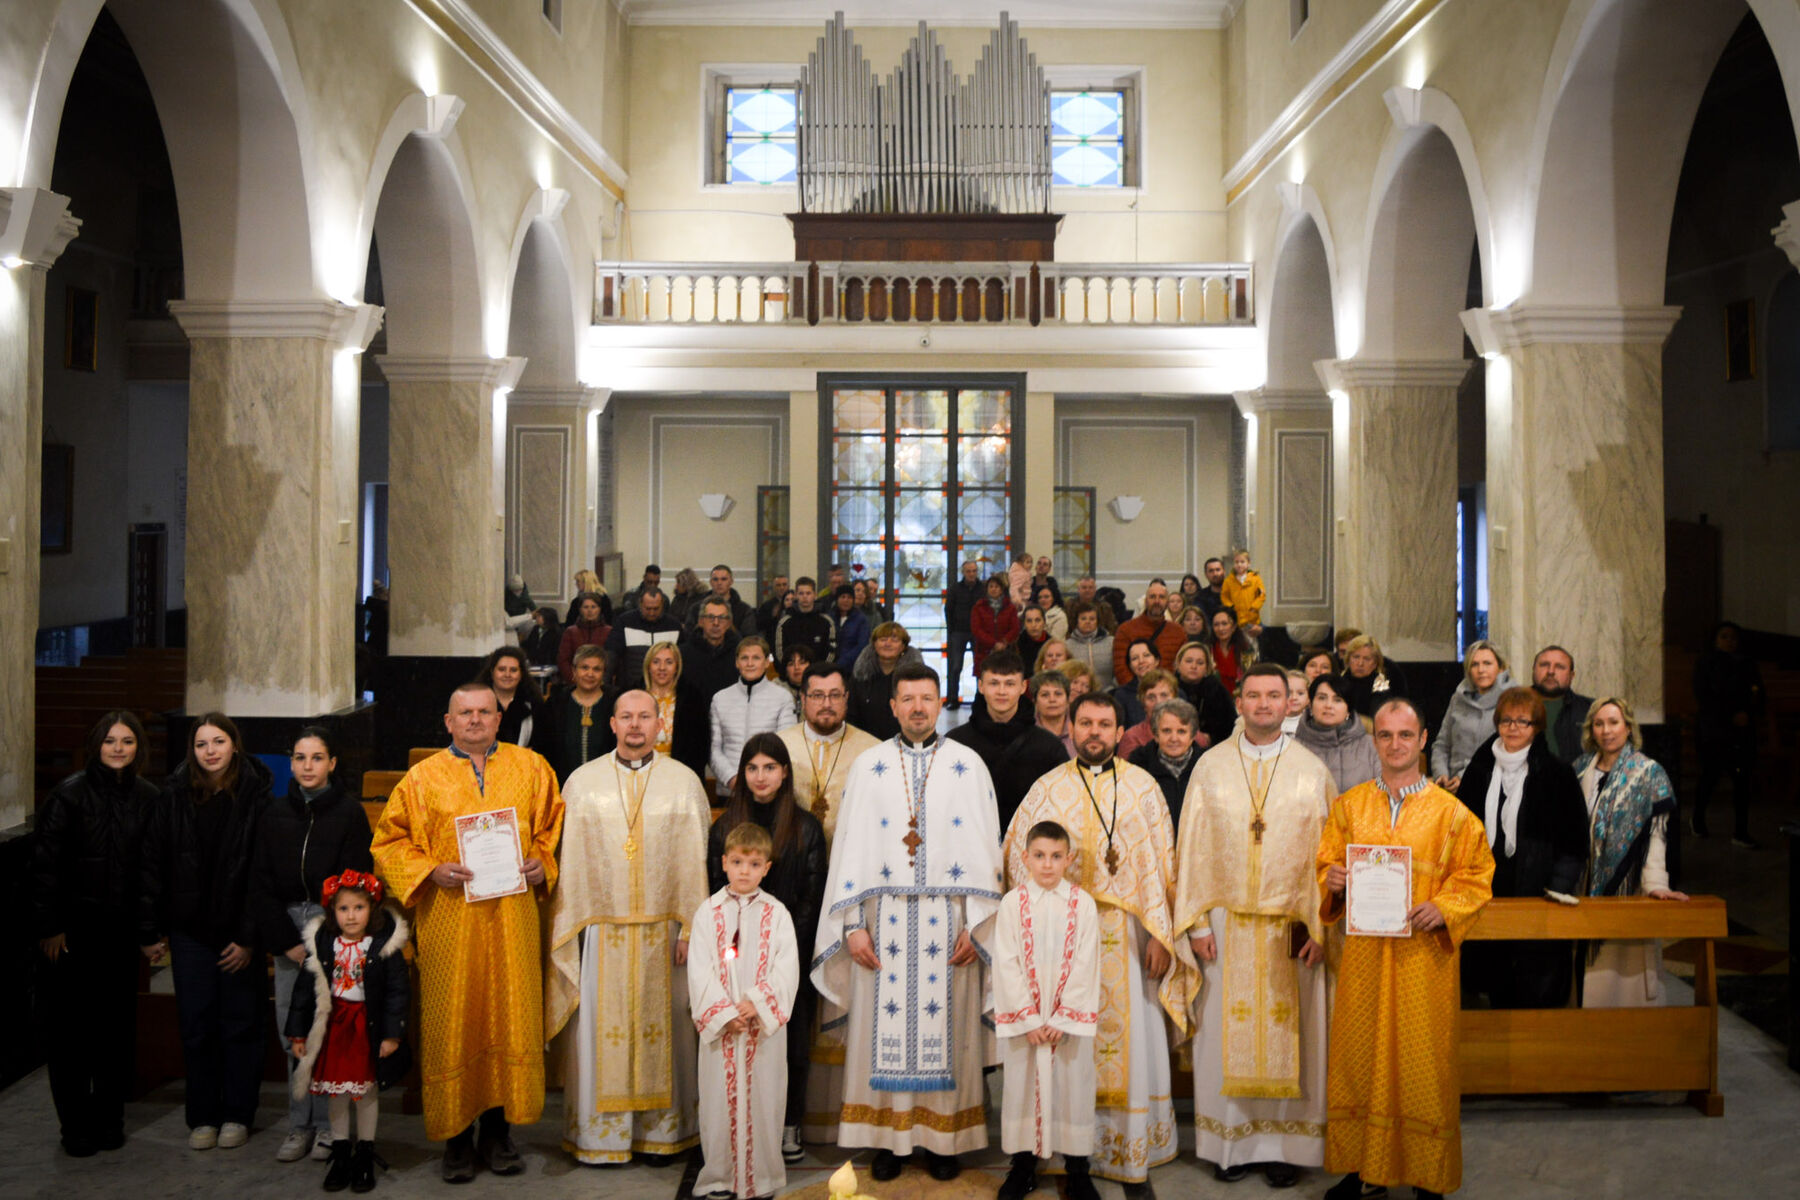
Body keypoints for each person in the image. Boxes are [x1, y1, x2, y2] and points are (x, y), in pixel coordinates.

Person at [1001, 692, 1197, 1199]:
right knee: (1053, 1050)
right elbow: (1014, 859)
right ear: (1072, 726)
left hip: (1126, 942)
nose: (1094, 732)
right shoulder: (1046, 789)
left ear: (1119, 730)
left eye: (1104, 724)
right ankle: (1044, 1157)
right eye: (1085, 722)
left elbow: (1165, 866)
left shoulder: (1143, 788)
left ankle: (1122, 1151)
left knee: (1123, 1046)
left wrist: (1160, 934)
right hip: (1054, 940)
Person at [813, 663, 1004, 1182]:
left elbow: (989, 853)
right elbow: (849, 853)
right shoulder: (868, 765)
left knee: (954, 1032)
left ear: (940, 703)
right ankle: (885, 1141)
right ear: (893, 705)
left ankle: (945, 1141)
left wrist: (979, 928)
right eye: (908, 699)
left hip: (951, 926)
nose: (918, 707)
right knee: (877, 1029)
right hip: (882, 923)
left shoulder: (969, 765)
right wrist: (851, 925)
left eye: (927, 698)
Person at [371, 683, 565, 1181]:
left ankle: (499, 1135)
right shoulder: (420, 779)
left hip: (513, 920)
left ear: (499, 720)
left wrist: (543, 863)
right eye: (465, 713)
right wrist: (430, 870)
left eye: (485, 712)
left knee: (509, 1017)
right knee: (453, 1022)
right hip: (449, 922)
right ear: (448, 721)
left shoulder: (533, 769)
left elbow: (551, 832)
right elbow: (388, 843)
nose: (476, 720)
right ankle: (456, 1141)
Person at [1317, 699, 1495, 1200]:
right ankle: (1361, 1171)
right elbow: (1326, 865)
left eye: (1405, 735)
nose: (1395, 745)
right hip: (1365, 960)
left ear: (1422, 740)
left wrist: (1446, 907)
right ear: (1376, 742)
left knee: (1423, 1064)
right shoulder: (1350, 807)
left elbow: (1477, 877)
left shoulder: (1452, 815)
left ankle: (1427, 1176)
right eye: (1386, 735)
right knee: (1360, 1058)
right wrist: (1330, 880)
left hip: (1423, 961)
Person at [1174, 665, 1336, 1188]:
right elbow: (1190, 848)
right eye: (1254, 695)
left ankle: (1285, 1149)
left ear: (1292, 702)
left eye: (1275, 695)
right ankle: (1229, 1146)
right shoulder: (1211, 767)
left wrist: (1321, 927)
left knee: (1295, 1039)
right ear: (1239, 702)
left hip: (1292, 928)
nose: (1264, 704)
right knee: (1223, 1039)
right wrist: (1195, 923)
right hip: (1226, 923)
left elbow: (1328, 857)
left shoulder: (1313, 771)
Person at [546, 689, 709, 1166]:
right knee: (602, 1032)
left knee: (671, 1035)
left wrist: (690, 928)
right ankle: (604, 1139)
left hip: (667, 933)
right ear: (611, 724)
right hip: (602, 931)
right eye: (626, 717)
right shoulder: (582, 783)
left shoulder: (684, 783)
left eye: (645, 717)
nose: (635, 725)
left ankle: (664, 1134)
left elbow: (695, 862)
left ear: (661, 724)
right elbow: (570, 862)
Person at [140, 713, 273, 1152]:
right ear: (192, 751)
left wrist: (250, 937)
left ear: (235, 744)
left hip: (239, 931)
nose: (210, 751)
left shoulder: (257, 794)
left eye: (219, 741)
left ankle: (237, 1113)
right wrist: (154, 929)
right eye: (201, 744)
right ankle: (203, 1116)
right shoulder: (173, 795)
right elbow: (155, 865)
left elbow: (261, 871)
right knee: (197, 1026)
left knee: (240, 1024)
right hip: (190, 931)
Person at [32, 712, 158, 1157]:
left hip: (120, 935)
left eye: (127, 741)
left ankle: (109, 1120)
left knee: (114, 1034)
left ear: (138, 747)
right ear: (95, 746)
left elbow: (149, 872)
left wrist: (147, 932)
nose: (118, 748)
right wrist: (50, 927)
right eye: (110, 741)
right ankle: (75, 1126)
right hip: (72, 935)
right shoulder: (69, 795)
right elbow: (45, 866)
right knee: (71, 1036)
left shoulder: (147, 797)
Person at [250, 726, 375, 1165]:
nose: (308, 766)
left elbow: (356, 879)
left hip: (332, 929)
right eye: (300, 758)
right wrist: (285, 941)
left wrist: (332, 937)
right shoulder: (274, 813)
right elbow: (260, 882)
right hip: (289, 929)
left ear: (332, 763)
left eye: (317, 758)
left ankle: (328, 1129)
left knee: (329, 1029)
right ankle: (297, 1125)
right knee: (296, 1033)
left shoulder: (349, 813)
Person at [705, 736, 828, 1167]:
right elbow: (713, 894)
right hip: (735, 958)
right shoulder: (724, 828)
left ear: (785, 773)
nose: (761, 777)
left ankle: (787, 1123)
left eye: (770, 767)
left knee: (789, 1043)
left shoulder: (806, 827)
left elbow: (813, 896)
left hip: (788, 955)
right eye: (753, 768)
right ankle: (733, 1128)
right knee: (736, 1040)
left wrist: (778, 951)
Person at [777, 662, 881, 1146]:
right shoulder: (780, 746)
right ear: (802, 698)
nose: (825, 704)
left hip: (852, 894)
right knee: (794, 1008)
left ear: (847, 699)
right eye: (816, 695)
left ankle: (847, 1112)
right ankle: (792, 1114)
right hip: (793, 893)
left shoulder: (872, 752)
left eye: (835, 695)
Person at [1455, 687, 1589, 1009]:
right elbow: (1458, 831)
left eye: (1523, 722)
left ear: (1537, 728)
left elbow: (1574, 840)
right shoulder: (1480, 768)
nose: (1513, 728)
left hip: (1537, 893)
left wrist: (1557, 888)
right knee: (1489, 988)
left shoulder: (1556, 773)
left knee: (1536, 988)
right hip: (1486, 893)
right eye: (1506, 720)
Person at [690, 823, 802, 1200]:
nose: (744, 871)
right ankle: (719, 1177)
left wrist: (756, 1003)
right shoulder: (708, 912)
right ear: (723, 862)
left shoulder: (778, 913)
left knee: (766, 1100)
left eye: (754, 864)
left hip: (762, 1030)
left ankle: (763, 1178)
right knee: (718, 1104)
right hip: (724, 1031)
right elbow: (700, 967)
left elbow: (787, 968)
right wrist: (723, 1012)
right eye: (737, 862)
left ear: (766, 868)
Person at [993, 821, 1102, 1200]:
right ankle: (1022, 1168)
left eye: (1056, 857)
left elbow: (1087, 962)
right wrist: (1026, 1017)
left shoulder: (1082, 904)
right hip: (1028, 1026)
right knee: (1021, 1089)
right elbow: (1005, 962)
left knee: (1074, 1089)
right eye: (1039, 856)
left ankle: (1077, 1170)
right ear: (1025, 858)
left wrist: (1062, 1017)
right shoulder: (1012, 904)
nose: (1047, 865)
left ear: (1069, 859)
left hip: (1064, 1027)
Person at [285, 870, 410, 1194]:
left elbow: (397, 991)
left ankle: (365, 1152)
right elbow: (303, 992)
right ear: (332, 912)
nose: (351, 916)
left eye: (359, 907)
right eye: (343, 909)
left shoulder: (382, 946)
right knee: (338, 1092)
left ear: (373, 909)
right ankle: (341, 1153)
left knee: (365, 1091)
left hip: (364, 1028)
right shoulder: (325, 945)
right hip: (334, 1027)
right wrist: (298, 1034)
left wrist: (391, 1033)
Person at [1577, 696, 1690, 1007]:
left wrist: (1656, 884)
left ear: (1628, 727)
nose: (1606, 730)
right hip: (1586, 890)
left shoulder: (1648, 773)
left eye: (1614, 723)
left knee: (1627, 978)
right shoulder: (1580, 770)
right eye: (1599, 724)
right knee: (1591, 978)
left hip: (1631, 888)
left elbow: (1657, 837)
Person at [947, 648, 1070, 832]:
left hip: (1031, 847)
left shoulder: (1049, 747)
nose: (1002, 692)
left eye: (1010, 683)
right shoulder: (955, 744)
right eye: (994, 683)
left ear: (1023, 687)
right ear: (981, 686)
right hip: (969, 844)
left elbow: (1062, 806)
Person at [1692, 620, 1765, 845]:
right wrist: (1730, 715)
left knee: (1742, 781)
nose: (1729, 641)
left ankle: (1740, 832)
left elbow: (1759, 692)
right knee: (1710, 776)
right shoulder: (1706, 663)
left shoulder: (1747, 663)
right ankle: (1697, 817)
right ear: (1715, 639)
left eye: (1733, 637)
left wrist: (1748, 713)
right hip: (1715, 728)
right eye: (1724, 636)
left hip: (1742, 730)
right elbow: (1704, 695)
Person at [710, 637, 793, 798]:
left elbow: (785, 746)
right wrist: (732, 779)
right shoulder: (720, 698)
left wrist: (761, 780)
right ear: (737, 662)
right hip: (730, 792)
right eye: (744, 658)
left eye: (756, 658)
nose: (750, 664)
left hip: (769, 791)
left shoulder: (783, 697)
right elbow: (713, 748)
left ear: (766, 662)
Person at [1431, 640, 1513, 791]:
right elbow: (1441, 744)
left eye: (1487, 663)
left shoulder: (1512, 699)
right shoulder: (1458, 698)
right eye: (1474, 664)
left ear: (1501, 668)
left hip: (1492, 784)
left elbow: (1505, 750)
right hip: (1451, 784)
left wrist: (1464, 777)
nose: (1481, 670)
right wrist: (1441, 774)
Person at [1293, 674, 1380, 794]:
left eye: (1337, 700)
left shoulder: (1371, 746)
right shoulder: (1292, 747)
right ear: (1310, 705)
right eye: (1322, 698)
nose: (1328, 705)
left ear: (1348, 709)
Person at [544, 645, 616, 783]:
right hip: (563, 786)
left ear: (603, 673)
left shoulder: (616, 705)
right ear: (574, 670)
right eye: (584, 667)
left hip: (607, 786)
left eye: (596, 669)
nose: (590, 674)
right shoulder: (555, 705)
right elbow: (547, 750)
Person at [643, 640, 711, 779]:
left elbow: (701, 745)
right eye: (656, 662)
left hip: (680, 775)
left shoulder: (692, 698)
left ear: (677, 667)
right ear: (648, 666)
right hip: (640, 775)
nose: (662, 667)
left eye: (669, 662)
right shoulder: (633, 695)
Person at [1127, 699, 1200, 824]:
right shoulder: (1138, 766)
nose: (1174, 738)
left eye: (1181, 731)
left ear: (1192, 736)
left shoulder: (1207, 765)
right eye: (1166, 731)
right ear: (1155, 735)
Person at [849, 621, 924, 741]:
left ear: (903, 646)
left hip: (904, 743)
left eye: (894, 640)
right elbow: (851, 713)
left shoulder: (914, 678)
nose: (888, 644)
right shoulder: (861, 675)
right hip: (864, 742)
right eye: (883, 639)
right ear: (874, 643)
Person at [607, 587, 682, 693]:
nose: (651, 613)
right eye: (648, 608)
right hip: (631, 688)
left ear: (662, 605)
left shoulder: (674, 625)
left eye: (656, 609)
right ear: (640, 604)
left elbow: (681, 659)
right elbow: (612, 656)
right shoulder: (625, 622)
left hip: (665, 690)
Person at [1529, 644, 1593, 767]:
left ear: (1571, 675)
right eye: (1544, 665)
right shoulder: (1514, 707)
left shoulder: (1590, 710)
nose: (1550, 672)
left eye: (1559, 667)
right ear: (1533, 669)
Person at [1112, 579, 1184, 686]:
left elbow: (1181, 667)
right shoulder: (1125, 629)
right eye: (1152, 597)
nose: (1157, 601)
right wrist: (1140, 691)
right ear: (1145, 601)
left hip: (1169, 691)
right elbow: (1120, 668)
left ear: (1167, 602)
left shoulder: (1178, 631)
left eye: (1162, 597)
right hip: (1135, 693)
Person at [479, 646, 547, 751]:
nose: (507, 674)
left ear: (521, 674)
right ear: (492, 672)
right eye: (501, 669)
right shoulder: (475, 701)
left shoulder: (534, 703)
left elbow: (544, 743)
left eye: (513, 670)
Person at [1172, 641, 1234, 750]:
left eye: (1200, 663)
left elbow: (1230, 726)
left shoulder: (1217, 689)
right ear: (1178, 664)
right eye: (1188, 661)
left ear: (1207, 668)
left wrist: (1212, 738)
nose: (1194, 666)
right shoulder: (1168, 687)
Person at [681, 595, 744, 699]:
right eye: (710, 617)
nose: (716, 623)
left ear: (729, 623)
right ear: (701, 621)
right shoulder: (683, 654)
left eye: (722, 618)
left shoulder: (740, 654)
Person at [944, 560, 984, 708]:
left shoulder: (983, 588)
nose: (972, 574)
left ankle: (980, 699)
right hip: (959, 631)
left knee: (979, 666)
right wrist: (951, 630)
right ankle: (953, 698)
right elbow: (948, 609)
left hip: (978, 632)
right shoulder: (955, 588)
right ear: (963, 572)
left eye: (974, 571)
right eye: (969, 571)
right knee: (955, 667)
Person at [1117, 670, 1179, 760]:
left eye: (1164, 695)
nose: (1158, 702)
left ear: (1175, 699)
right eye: (1151, 697)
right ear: (1143, 703)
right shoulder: (1132, 737)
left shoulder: (1192, 734)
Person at [775, 577, 835, 667]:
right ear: (795, 596)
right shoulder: (785, 623)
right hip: (793, 673)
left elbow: (832, 650)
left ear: (815, 595)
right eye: (801, 593)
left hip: (819, 673)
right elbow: (780, 651)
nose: (805, 597)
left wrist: (821, 670)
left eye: (808, 593)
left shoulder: (826, 622)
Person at [558, 592, 612, 685]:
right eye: (586, 607)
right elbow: (563, 660)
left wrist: (601, 680)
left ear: (599, 609)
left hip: (602, 684)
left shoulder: (609, 631)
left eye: (593, 607)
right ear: (580, 610)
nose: (589, 611)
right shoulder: (571, 632)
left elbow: (612, 660)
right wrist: (575, 680)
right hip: (575, 683)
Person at [973, 574, 1022, 675]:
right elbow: (976, 629)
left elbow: (1015, 628)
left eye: (996, 587)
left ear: (1001, 589)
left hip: (1005, 650)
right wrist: (993, 643)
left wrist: (1004, 642)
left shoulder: (1010, 607)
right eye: (991, 586)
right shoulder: (979, 607)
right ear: (987, 589)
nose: (993, 589)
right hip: (984, 650)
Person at [685, 563, 754, 634]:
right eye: (715, 579)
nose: (719, 583)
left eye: (724, 579)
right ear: (711, 582)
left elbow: (748, 638)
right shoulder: (696, 608)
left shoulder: (744, 610)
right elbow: (688, 635)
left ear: (731, 582)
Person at [1064, 600, 1116, 693]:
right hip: (1079, 694)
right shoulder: (1067, 645)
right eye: (1083, 618)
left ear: (1097, 621)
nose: (1087, 622)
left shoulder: (1111, 642)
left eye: (1092, 619)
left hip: (1108, 693)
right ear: (1077, 621)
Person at [1208, 608, 1257, 695]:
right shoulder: (1207, 650)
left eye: (1224, 624)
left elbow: (1253, 679)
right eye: (1216, 625)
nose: (1220, 628)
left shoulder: (1246, 650)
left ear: (1234, 627)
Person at [1115, 640, 1162, 726]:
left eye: (1146, 655)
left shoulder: (1175, 690)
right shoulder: (1122, 695)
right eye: (1135, 658)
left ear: (1157, 660)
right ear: (1130, 666)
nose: (1141, 661)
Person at [1219, 550, 1266, 635]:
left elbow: (1261, 595)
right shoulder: (1228, 581)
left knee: (1252, 642)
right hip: (1235, 618)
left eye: (1242, 562)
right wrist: (1230, 606)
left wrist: (1254, 607)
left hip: (1252, 618)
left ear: (1248, 563)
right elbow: (1224, 596)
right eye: (1236, 562)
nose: (1239, 565)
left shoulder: (1255, 579)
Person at [1032, 669, 1076, 757]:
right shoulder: (1026, 732)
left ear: (1068, 699)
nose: (1052, 700)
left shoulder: (1079, 729)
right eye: (1045, 695)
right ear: (1035, 701)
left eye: (1058, 694)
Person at [832, 583, 871, 668]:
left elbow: (862, 645)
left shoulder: (861, 620)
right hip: (830, 663)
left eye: (849, 597)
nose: (846, 600)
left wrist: (842, 662)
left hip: (852, 666)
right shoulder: (830, 618)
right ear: (837, 599)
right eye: (843, 597)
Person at [779, 644, 814, 720]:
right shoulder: (776, 689)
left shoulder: (820, 689)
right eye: (791, 664)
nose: (797, 667)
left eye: (802, 663)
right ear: (785, 671)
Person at [1017, 605, 1052, 674]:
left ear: (1044, 622)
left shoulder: (1051, 645)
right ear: (1024, 623)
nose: (1033, 625)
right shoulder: (1016, 645)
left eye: (1037, 620)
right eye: (1029, 621)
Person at [503, 573, 536, 638]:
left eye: (519, 590)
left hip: (520, 622)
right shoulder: (505, 595)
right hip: (508, 622)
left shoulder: (525, 597)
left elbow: (535, 611)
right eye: (515, 590)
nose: (518, 592)